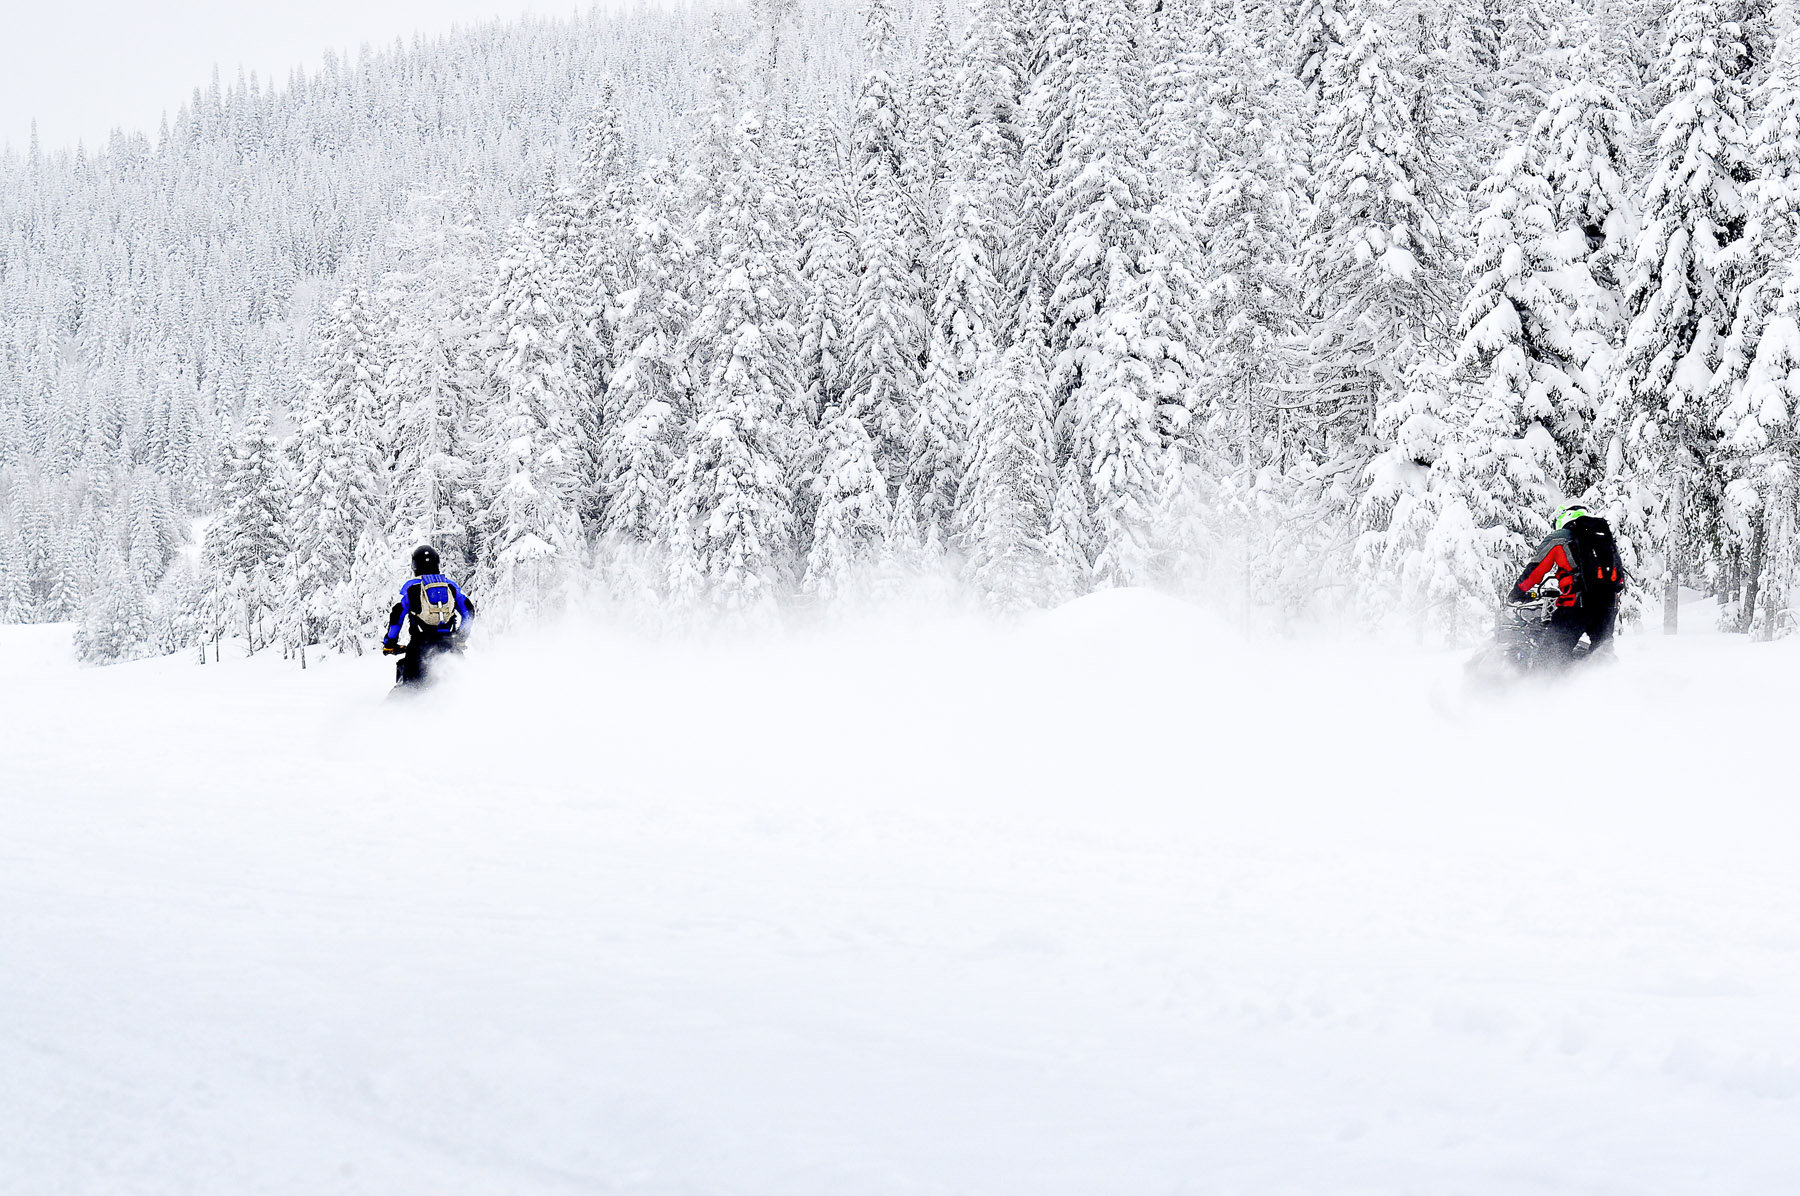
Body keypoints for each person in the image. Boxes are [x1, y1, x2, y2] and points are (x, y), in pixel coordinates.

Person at [1507, 502, 1624, 661]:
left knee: (1549, 657)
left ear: (1564, 516)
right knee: (1602, 654)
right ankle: (1605, 682)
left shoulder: (1559, 538)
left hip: (1575, 607)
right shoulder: (1603, 537)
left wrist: (1517, 592)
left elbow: (1535, 570)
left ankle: (1544, 685)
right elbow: (1618, 575)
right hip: (1607, 607)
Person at [382, 545, 475, 685]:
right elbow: (468, 612)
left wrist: (390, 643)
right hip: (449, 644)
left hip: (420, 647)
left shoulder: (412, 588)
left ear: (415, 565)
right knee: (460, 686)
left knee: (407, 691)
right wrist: (460, 639)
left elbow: (397, 616)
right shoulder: (450, 586)